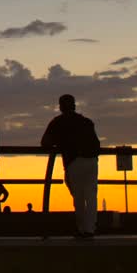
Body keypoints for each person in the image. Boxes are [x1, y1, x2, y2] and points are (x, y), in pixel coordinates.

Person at [40, 94, 100, 239]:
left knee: (78, 197)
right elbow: (96, 144)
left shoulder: (58, 122)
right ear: (74, 105)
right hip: (91, 160)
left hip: (73, 161)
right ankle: (90, 229)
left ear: (61, 107)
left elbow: (45, 142)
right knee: (91, 196)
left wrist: (60, 142)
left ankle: (82, 229)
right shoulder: (86, 122)